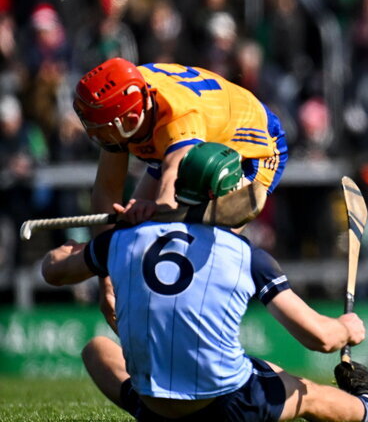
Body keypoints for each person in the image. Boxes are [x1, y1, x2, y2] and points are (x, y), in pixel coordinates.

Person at [40, 142, 368, 422]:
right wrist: (347, 329)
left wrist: (117, 232)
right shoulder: (246, 255)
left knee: (95, 350)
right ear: (217, 196)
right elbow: (320, 338)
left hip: (152, 405)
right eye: (237, 186)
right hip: (228, 402)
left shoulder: (123, 240)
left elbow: (52, 270)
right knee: (307, 393)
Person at [73, 57, 289, 330]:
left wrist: (153, 210)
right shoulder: (127, 101)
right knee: (138, 235)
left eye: (101, 128)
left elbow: (169, 190)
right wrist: (106, 279)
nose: (95, 134)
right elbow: (106, 192)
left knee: (193, 248)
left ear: (129, 119)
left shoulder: (176, 117)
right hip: (185, 143)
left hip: (253, 148)